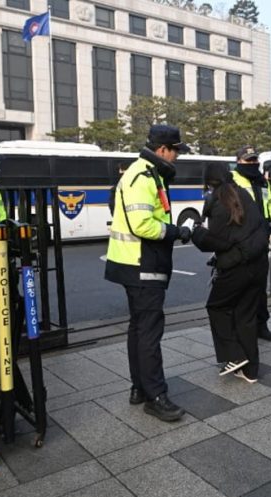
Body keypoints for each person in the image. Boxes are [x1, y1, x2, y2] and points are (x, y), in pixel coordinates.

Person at [104, 124, 192, 422]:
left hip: (133, 263)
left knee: (139, 328)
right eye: (176, 150)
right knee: (149, 332)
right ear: (162, 150)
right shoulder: (142, 176)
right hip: (142, 264)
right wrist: (176, 231)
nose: (178, 156)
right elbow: (141, 225)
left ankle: (139, 388)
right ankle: (156, 396)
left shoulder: (144, 173)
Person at [191, 163, 269, 382]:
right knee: (246, 315)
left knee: (217, 306)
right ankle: (250, 370)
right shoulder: (243, 194)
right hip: (259, 264)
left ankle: (235, 355)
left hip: (236, 268)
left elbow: (218, 241)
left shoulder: (219, 201)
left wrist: (196, 232)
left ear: (208, 182)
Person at [232, 146, 271, 342]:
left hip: (261, 239)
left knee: (260, 286)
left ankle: (262, 325)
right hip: (242, 240)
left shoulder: (262, 181)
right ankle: (245, 327)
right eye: (248, 160)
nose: (252, 163)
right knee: (242, 287)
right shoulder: (233, 180)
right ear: (238, 161)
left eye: (254, 160)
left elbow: (270, 205)